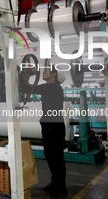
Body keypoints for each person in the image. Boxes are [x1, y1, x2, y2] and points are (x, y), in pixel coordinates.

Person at [31, 65, 67, 197]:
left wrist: (27, 77)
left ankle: (61, 187)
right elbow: (29, 88)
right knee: (50, 156)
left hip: (54, 128)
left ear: (53, 74)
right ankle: (55, 183)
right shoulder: (48, 87)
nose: (43, 73)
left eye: (46, 71)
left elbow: (32, 88)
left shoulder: (54, 88)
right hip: (49, 127)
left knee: (56, 157)